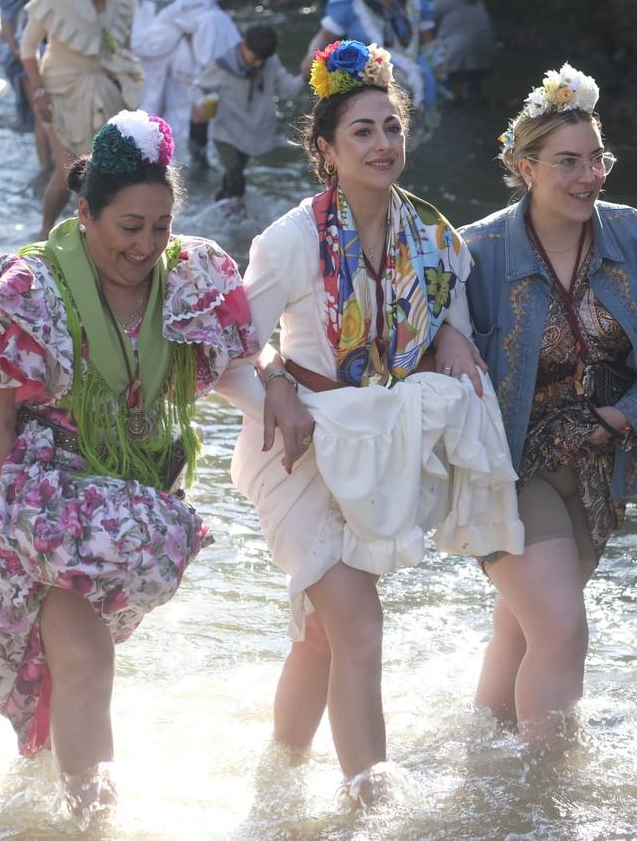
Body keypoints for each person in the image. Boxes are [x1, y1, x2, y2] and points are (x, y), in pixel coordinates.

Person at [0, 110, 260, 812]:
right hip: (27, 496)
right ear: (85, 213)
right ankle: (89, 815)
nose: (148, 244)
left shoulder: (188, 277)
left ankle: (65, 805)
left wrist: (277, 395)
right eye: (130, 227)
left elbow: (231, 364)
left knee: (80, 664)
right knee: (81, 659)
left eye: (160, 226)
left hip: (121, 502)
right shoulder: (24, 289)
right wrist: (37, 536)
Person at [215, 40, 523, 803]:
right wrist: (276, 377)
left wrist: (452, 331)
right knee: (358, 628)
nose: (383, 144)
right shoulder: (289, 239)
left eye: (392, 127)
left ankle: (275, 784)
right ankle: (370, 804)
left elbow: (448, 318)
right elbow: (220, 352)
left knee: (323, 636)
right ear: (325, 148)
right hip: (299, 452)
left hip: (380, 454)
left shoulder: (433, 237)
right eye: (362, 130)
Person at [462, 65, 637, 754]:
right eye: (568, 161)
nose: (588, 175)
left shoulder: (634, 237)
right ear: (524, 166)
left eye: (596, 158)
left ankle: (483, 775)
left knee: (526, 626)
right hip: (508, 471)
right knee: (563, 628)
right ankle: (548, 799)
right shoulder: (476, 252)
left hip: (601, 463)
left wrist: (627, 415)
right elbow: (428, 345)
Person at [22, 0, 144, 240]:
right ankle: (43, 232)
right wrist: (38, 93)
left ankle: (92, 236)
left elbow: (121, 45)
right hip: (60, 90)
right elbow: (27, 48)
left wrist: (125, 78)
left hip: (105, 89)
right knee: (68, 172)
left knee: (106, 170)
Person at [302, 0, 439, 145]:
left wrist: (438, 71)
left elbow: (428, 39)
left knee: (423, 139)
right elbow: (326, 34)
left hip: (422, 81)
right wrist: (311, 59)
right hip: (375, 86)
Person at [115, 0, 240, 148]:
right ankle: (142, 151)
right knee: (143, 102)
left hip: (184, 23)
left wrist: (178, 15)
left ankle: (192, 154)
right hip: (142, 25)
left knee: (212, 25)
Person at [189, 24, 302, 204]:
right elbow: (197, 87)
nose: (258, 64)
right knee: (235, 173)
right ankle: (233, 213)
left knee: (235, 175)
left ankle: (223, 206)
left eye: (262, 60)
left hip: (250, 131)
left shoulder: (270, 62)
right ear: (243, 45)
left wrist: (306, 74)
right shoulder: (223, 66)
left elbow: (287, 89)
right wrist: (202, 103)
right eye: (255, 57)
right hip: (225, 130)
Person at [0, 0, 74, 167]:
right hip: (28, 53)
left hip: (58, 55)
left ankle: (57, 164)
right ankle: (47, 167)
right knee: (42, 114)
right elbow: (7, 17)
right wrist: (15, 49)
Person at [428, 0, 493, 105]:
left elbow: (424, 26)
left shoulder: (441, 0)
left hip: (458, 60)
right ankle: (473, 93)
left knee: (430, 58)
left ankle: (447, 98)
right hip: (487, 57)